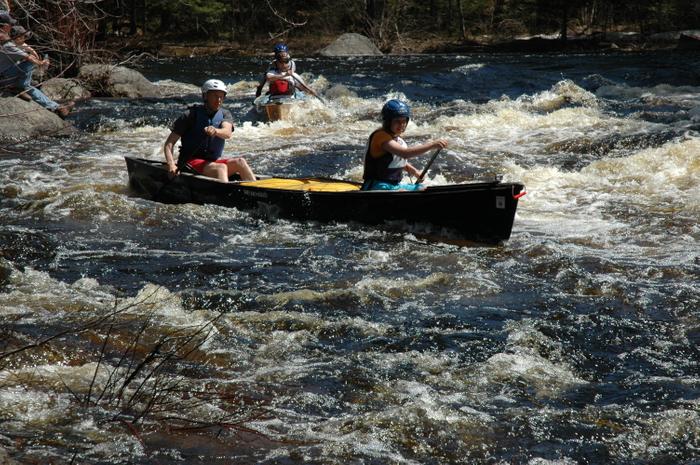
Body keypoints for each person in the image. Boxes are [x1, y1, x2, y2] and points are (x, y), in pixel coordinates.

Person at [164, 78, 255, 183]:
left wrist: (215, 131)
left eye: (221, 96)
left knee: (240, 162)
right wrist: (171, 165)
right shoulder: (190, 115)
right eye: (215, 96)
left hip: (212, 162)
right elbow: (169, 144)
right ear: (205, 96)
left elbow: (227, 133)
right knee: (221, 168)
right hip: (190, 163)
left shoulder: (225, 114)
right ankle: (225, 196)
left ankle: (257, 192)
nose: (219, 100)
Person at [362, 99, 448, 191]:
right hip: (377, 186)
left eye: (404, 121)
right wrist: (432, 145)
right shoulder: (381, 136)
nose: (402, 124)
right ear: (388, 121)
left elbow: (397, 161)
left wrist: (414, 172)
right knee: (403, 192)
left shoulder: (397, 139)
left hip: (393, 185)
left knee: (422, 188)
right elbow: (405, 154)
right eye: (397, 121)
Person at [0, 21, 73, 117]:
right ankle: (22, 86)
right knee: (28, 78)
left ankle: (56, 107)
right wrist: (42, 63)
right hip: (4, 77)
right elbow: (29, 58)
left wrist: (34, 53)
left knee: (29, 86)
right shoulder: (10, 47)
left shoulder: (10, 42)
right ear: (18, 38)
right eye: (24, 37)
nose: (25, 39)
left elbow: (27, 48)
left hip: (7, 74)